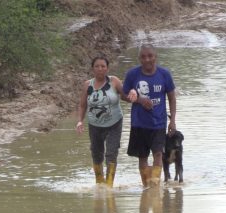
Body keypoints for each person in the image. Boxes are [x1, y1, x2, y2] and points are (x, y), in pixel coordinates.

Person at [123, 43, 177, 187]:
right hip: (139, 123)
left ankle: (154, 186)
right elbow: (123, 94)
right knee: (142, 157)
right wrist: (139, 100)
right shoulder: (132, 74)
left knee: (158, 153)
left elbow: (172, 97)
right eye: (143, 57)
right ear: (139, 58)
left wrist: (173, 121)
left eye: (150, 56)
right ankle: (146, 186)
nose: (147, 60)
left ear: (155, 57)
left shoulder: (164, 74)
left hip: (159, 123)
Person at [76, 55, 129, 187]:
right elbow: (83, 105)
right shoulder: (88, 85)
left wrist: (133, 95)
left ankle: (109, 185)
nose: (100, 69)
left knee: (111, 152)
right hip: (95, 125)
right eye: (97, 66)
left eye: (103, 66)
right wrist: (80, 121)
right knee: (96, 153)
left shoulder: (114, 81)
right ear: (92, 69)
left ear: (107, 68)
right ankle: (100, 183)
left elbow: (125, 96)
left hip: (114, 123)